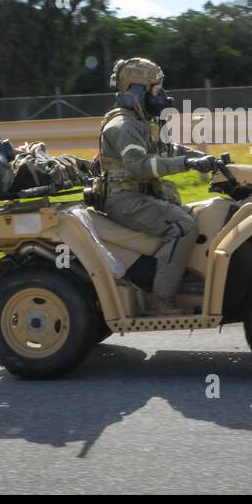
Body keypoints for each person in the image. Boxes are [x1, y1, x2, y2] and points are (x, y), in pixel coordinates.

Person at [97, 58, 218, 315]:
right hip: (125, 200)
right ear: (137, 91)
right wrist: (188, 164)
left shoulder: (140, 122)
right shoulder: (124, 125)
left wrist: (204, 160)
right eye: (155, 89)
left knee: (199, 216)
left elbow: (167, 149)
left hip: (140, 196)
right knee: (184, 227)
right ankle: (161, 298)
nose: (162, 96)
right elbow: (138, 166)